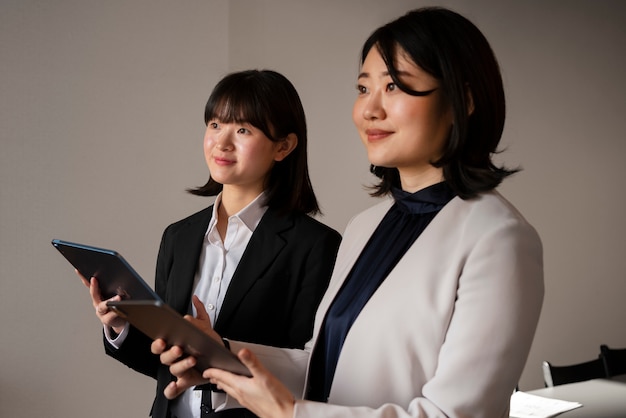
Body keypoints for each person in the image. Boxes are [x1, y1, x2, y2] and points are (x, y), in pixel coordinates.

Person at [153, 7, 544, 418]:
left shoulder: (499, 238)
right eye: (363, 88)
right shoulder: (364, 226)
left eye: (393, 86)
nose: (370, 109)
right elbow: (323, 372)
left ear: (463, 100)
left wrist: (290, 413)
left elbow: (454, 415)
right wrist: (222, 358)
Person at [82, 69, 342, 418]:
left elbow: (310, 373)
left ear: (284, 146)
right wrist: (119, 325)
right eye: (215, 125)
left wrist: (219, 349)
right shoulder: (178, 236)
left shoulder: (316, 246)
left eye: (243, 130)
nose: (221, 142)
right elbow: (164, 367)